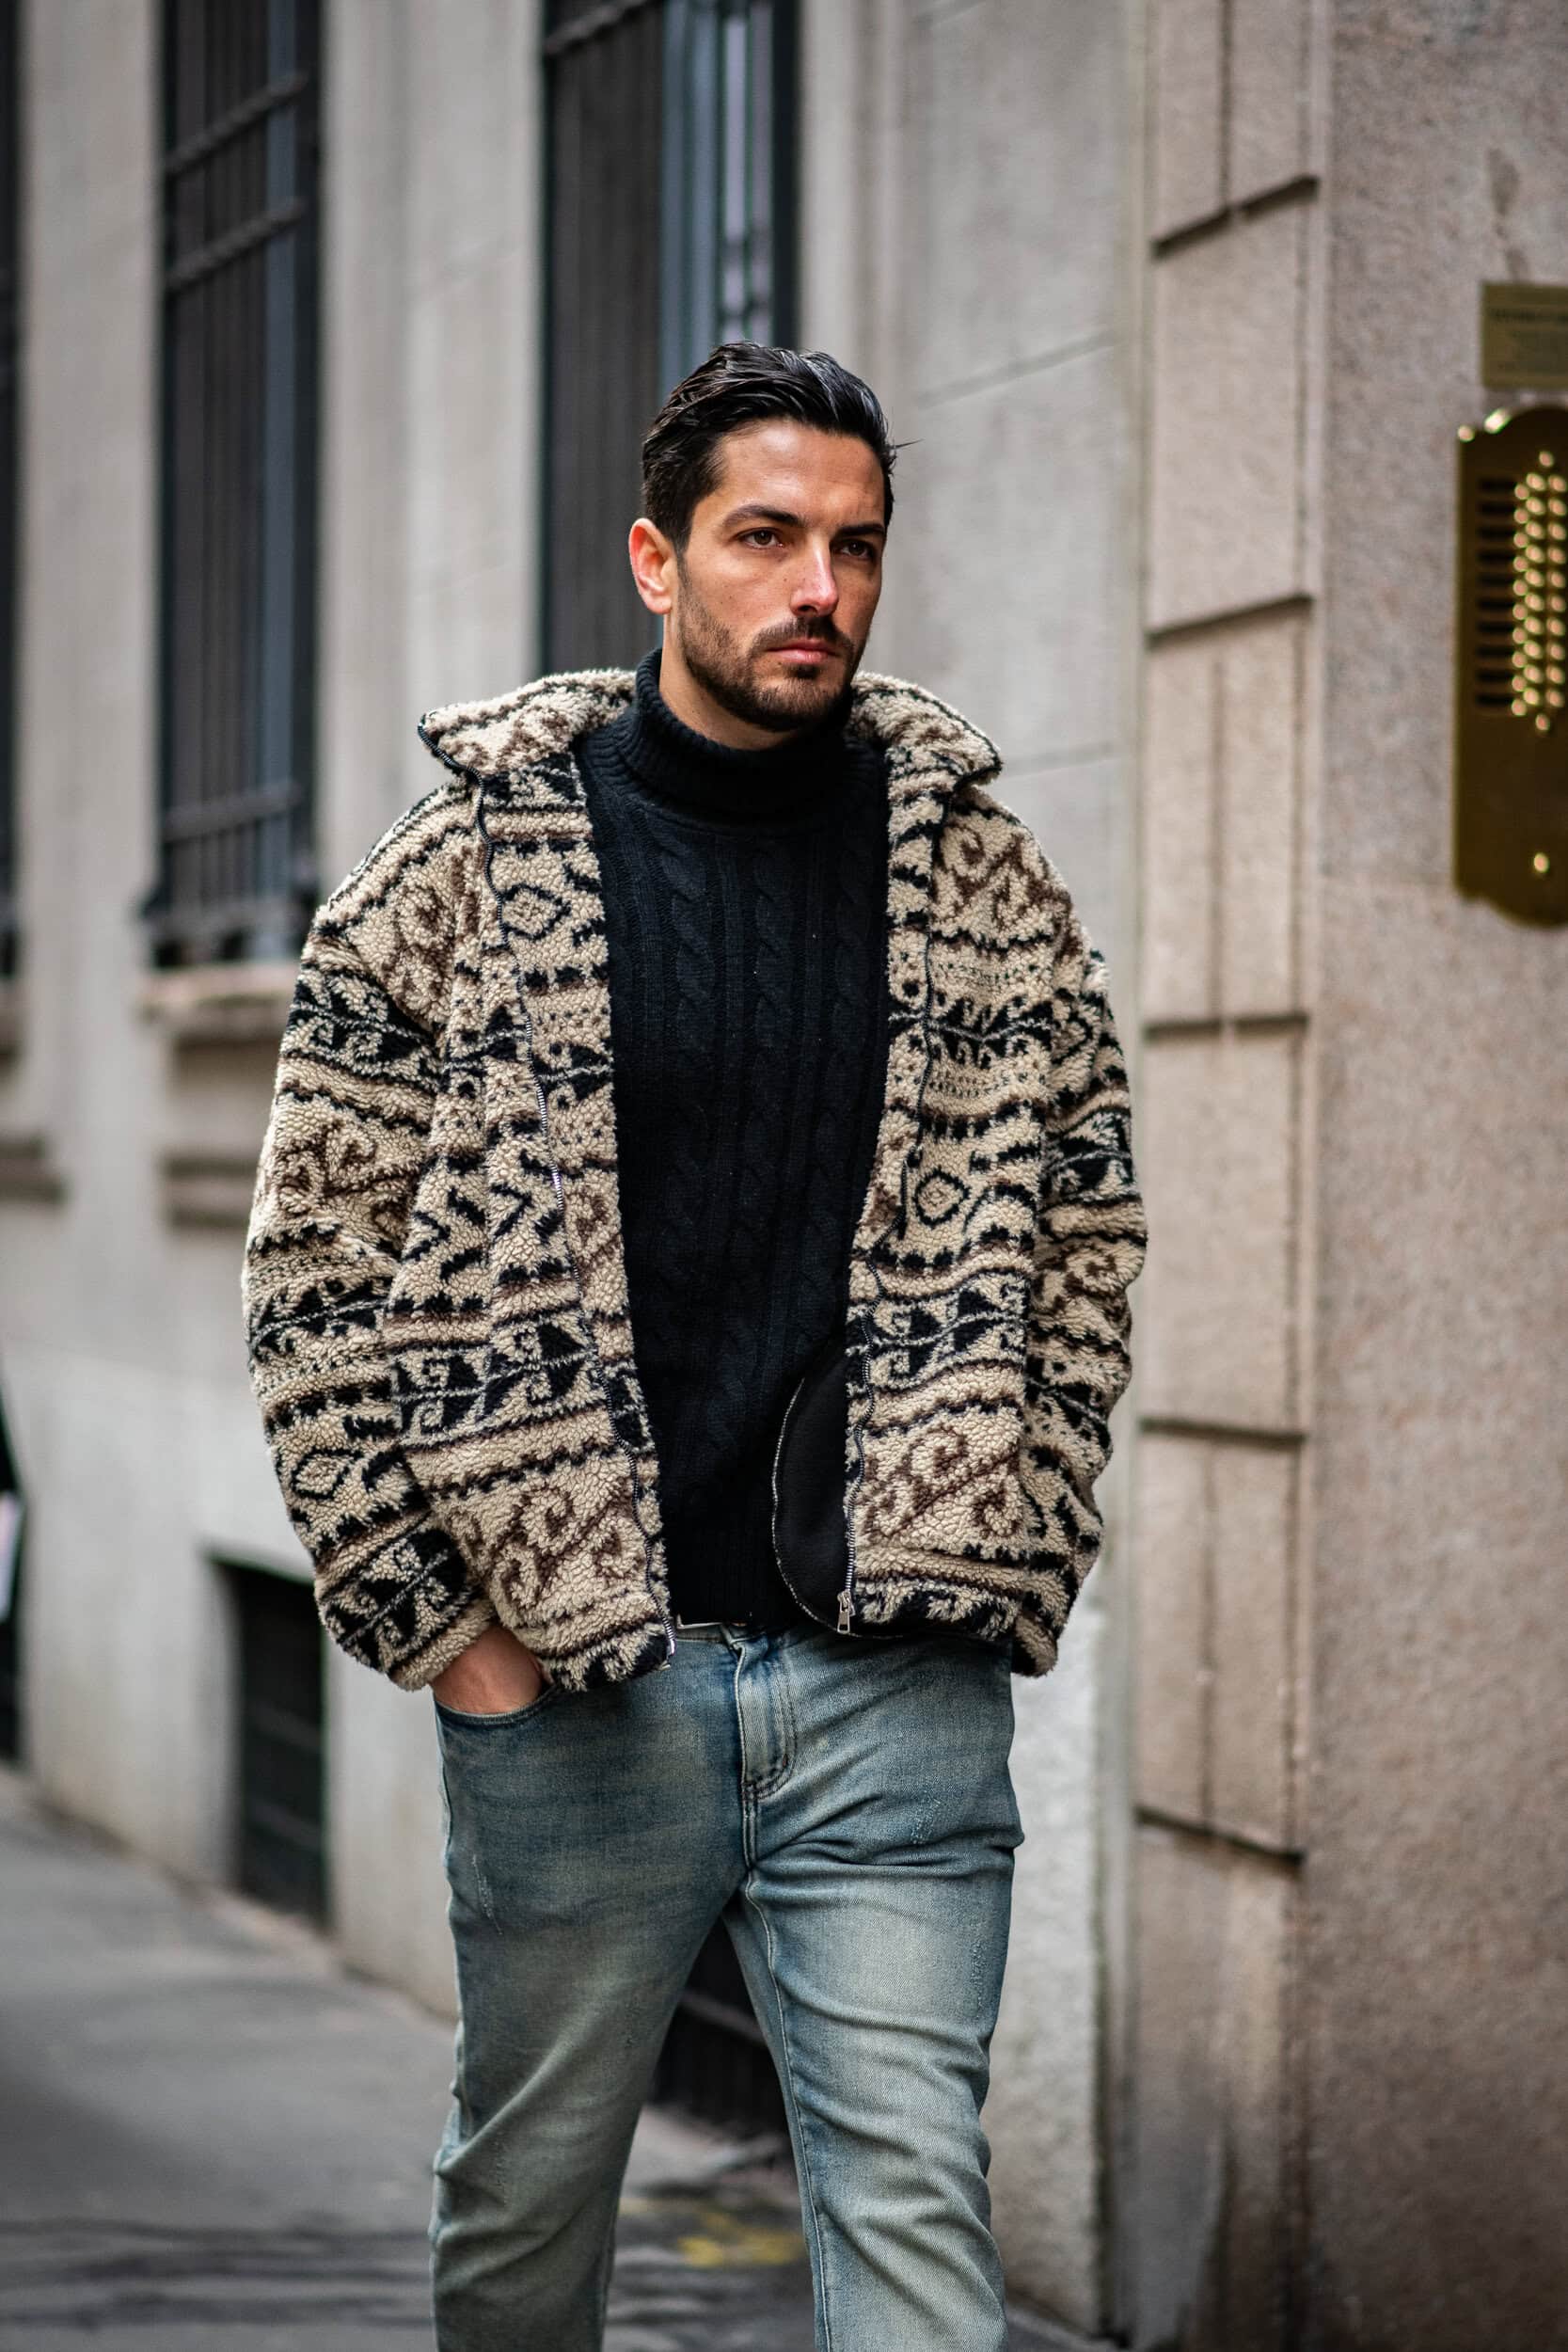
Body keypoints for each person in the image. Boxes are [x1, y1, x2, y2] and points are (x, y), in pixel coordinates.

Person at [243, 342, 1146, 2351]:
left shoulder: (982, 882)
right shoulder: (461, 878)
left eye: (857, 545)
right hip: (578, 1689)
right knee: (526, 2207)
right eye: (765, 537)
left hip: (892, 1683)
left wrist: (1017, 1525)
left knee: (918, 2213)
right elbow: (312, 1275)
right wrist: (450, 1633)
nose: (819, 587)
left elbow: (1086, 1225)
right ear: (658, 561)